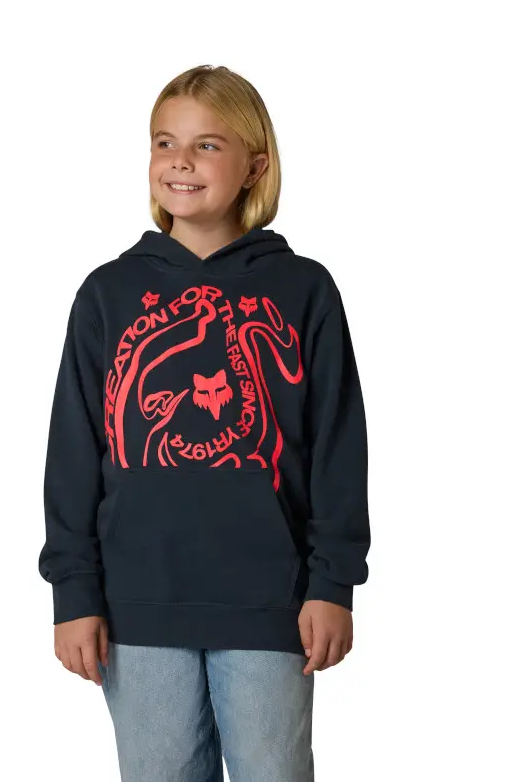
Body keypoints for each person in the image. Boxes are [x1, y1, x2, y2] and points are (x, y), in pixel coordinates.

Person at [38, 64, 371, 782]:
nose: (180, 161)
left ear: (256, 166)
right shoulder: (108, 293)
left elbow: (338, 448)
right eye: (165, 142)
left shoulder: (303, 289)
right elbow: (73, 455)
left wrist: (333, 583)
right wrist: (73, 590)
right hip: (138, 608)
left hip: (271, 606)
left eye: (207, 145)